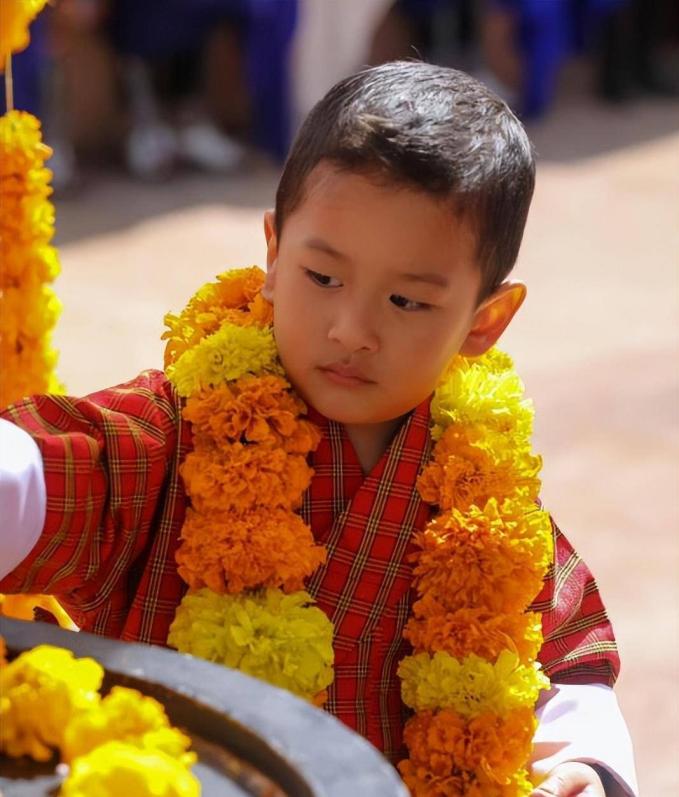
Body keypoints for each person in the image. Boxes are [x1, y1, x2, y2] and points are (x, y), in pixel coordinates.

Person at [0, 62, 637, 796]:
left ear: (485, 320)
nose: (351, 329)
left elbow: (562, 656)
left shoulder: (483, 503)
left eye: (406, 301)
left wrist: (583, 764)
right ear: (273, 254)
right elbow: (51, 472)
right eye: (323, 277)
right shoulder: (182, 434)